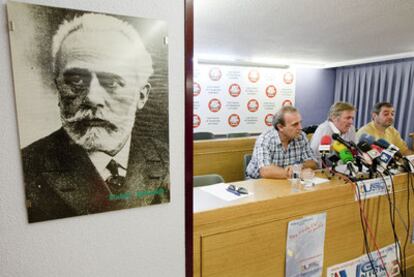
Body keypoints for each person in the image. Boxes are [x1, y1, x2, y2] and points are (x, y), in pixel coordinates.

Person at [21, 14, 169, 223]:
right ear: (58, 90)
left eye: (112, 82)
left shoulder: (169, 159)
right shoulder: (27, 167)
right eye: (76, 80)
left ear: (141, 96)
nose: (92, 97)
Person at [246, 106, 318, 179]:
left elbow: (313, 163)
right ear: (280, 127)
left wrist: (299, 167)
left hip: (287, 181)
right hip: (258, 182)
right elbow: (265, 171)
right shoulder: (265, 139)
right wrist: (297, 174)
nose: (300, 127)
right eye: (295, 124)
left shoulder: (301, 136)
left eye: (300, 123)